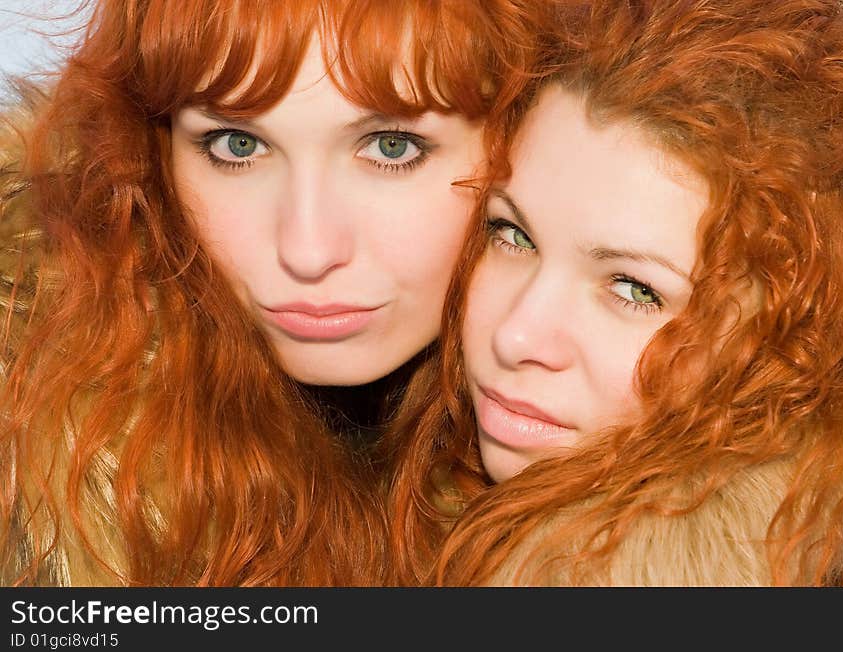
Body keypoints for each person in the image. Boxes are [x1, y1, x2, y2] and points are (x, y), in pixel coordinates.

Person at [0, 0, 543, 586]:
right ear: (151, 154)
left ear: (520, 138)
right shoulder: (30, 440)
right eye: (236, 145)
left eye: (391, 146)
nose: (307, 251)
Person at [388, 0, 843, 585]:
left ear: (792, 343)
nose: (515, 334)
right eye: (512, 234)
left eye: (633, 288)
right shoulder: (385, 475)